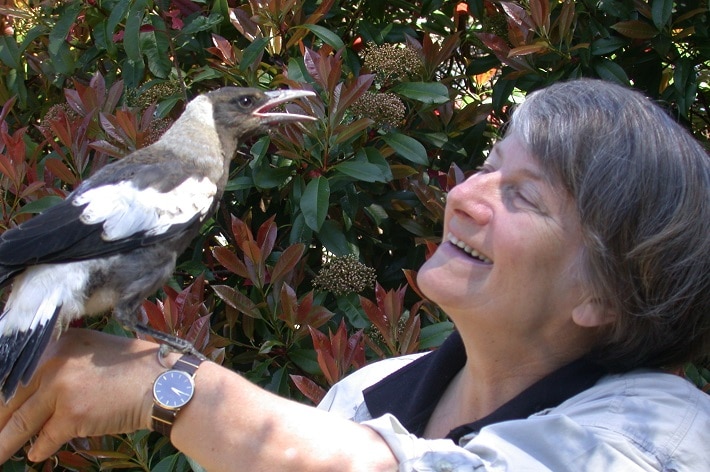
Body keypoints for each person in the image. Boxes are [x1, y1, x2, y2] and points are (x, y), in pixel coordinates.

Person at [0, 78, 709, 471]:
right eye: (489, 164)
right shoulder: (365, 394)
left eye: (522, 195)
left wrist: (169, 388)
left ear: (604, 295)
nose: (463, 194)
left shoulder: (665, 437)